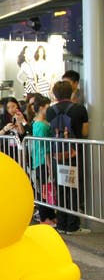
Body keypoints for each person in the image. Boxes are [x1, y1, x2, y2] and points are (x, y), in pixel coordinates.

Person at [46, 80, 89, 235]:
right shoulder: (79, 109)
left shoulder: (50, 111)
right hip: (74, 153)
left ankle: (61, 223)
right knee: (74, 187)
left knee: (61, 187)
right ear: (71, 92)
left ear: (55, 94)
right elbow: (84, 132)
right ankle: (73, 226)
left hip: (57, 154)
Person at [30, 94, 56, 227]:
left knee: (46, 188)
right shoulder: (41, 125)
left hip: (40, 160)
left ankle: (49, 216)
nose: (49, 109)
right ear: (41, 108)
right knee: (45, 189)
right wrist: (49, 164)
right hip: (43, 161)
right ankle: (45, 217)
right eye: (47, 107)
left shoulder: (38, 122)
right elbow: (44, 146)